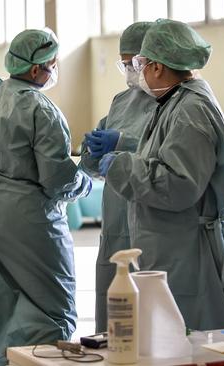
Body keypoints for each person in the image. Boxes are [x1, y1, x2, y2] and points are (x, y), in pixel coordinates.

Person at [99, 18, 224, 330]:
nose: (136, 72)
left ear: (158, 67)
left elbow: (179, 185)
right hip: (172, 245)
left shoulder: (191, 109)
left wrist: (122, 165)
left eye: (140, 63)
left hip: (187, 252)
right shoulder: (175, 102)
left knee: (188, 340)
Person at [0, 29, 91, 366]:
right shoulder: (39, 108)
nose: (54, 70)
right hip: (25, 215)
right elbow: (57, 178)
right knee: (51, 301)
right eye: (52, 64)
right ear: (36, 70)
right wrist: (87, 179)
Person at [80, 21, 156, 333]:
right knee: (113, 302)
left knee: (149, 300)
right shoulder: (121, 101)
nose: (129, 69)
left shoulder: (173, 101)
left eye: (134, 62)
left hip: (152, 213)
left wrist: (122, 142)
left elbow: (165, 152)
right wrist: (91, 151)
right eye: (124, 63)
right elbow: (96, 165)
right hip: (115, 214)